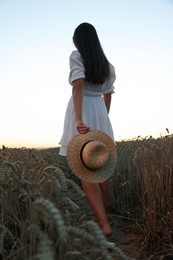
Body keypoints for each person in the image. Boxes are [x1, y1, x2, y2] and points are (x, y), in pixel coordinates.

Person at [59, 22, 116, 236]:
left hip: (82, 109)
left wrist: (79, 119)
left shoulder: (77, 55)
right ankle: (102, 216)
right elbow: (108, 95)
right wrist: (104, 116)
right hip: (100, 111)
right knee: (100, 167)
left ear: (78, 41)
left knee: (85, 170)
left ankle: (104, 225)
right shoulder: (107, 66)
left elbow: (78, 85)